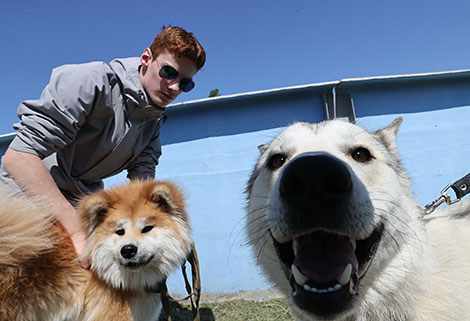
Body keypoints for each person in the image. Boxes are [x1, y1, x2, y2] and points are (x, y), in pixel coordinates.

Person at [0, 26, 206, 268]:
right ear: (146, 58)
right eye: (169, 72)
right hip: (21, 202)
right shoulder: (90, 81)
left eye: (185, 83)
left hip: (78, 204)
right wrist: (78, 233)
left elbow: (142, 190)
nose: (174, 88)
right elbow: (19, 157)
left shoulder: (152, 123)